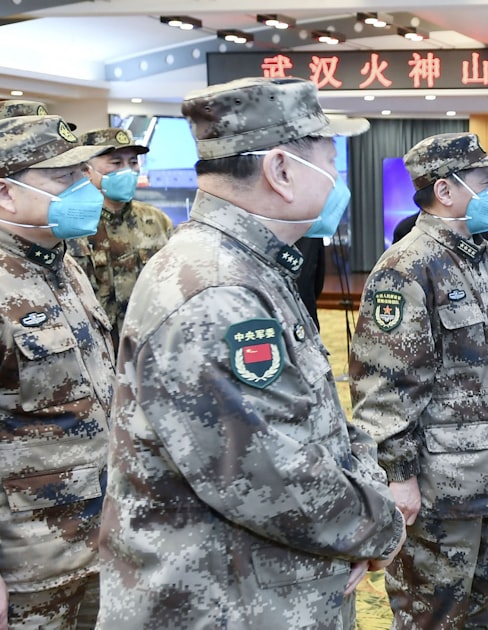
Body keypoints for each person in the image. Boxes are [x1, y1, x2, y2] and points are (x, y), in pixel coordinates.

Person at [97, 77, 407, 628]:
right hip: (225, 603)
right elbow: (270, 472)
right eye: (330, 161)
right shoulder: (218, 288)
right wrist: (379, 525)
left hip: (267, 588)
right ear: (281, 170)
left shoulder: (250, 267)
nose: (336, 178)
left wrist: (366, 497)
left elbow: (320, 420)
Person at [349, 132, 488, 629]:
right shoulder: (405, 267)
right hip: (439, 490)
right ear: (446, 190)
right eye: (482, 181)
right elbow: (384, 387)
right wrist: (398, 476)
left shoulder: (484, 255)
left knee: (483, 614)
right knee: (431, 616)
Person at [0, 114, 113, 629]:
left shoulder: (64, 265)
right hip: (29, 565)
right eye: (63, 177)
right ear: (7, 193)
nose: (85, 187)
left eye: (82, 173)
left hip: (99, 545)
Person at [67, 127, 173, 347]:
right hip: (97, 347)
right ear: (86, 170)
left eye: (133, 162)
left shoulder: (157, 220)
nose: (128, 170)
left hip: (151, 342)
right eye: (116, 163)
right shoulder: (71, 226)